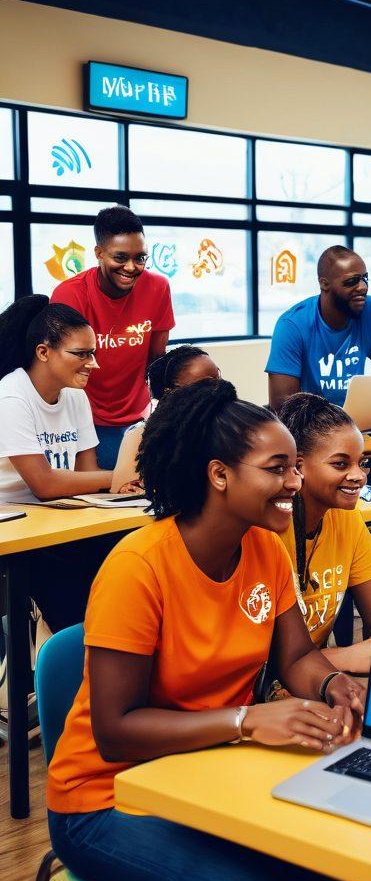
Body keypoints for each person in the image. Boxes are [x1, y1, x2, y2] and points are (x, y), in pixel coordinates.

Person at [46, 378, 365, 881]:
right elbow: (115, 731)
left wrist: (333, 685)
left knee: (343, 865)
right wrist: (247, 720)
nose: (295, 483)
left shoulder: (266, 549)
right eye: (277, 469)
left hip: (210, 773)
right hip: (107, 801)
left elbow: (296, 657)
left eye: (295, 467)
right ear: (219, 474)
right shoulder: (138, 567)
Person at [0, 296, 137, 632]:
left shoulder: (75, 395)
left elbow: (86, 475)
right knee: (71, 591)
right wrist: (117, 475)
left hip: (58, 518)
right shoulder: (11, 396)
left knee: (129, 547)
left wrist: (124, 485)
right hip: (17, 526)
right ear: (43, 352)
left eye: (93, 353)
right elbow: (44, 484)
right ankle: (78, 649)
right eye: (81, 354)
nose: (93, 364)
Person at [277, 393, 371, 674]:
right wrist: (345, 657)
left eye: (362, 462)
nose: (359, 476)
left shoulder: (346, 518)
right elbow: (264, 661)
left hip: (317, 677)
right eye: (341, 464)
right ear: (298, 466)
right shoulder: (269, 529)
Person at [51, 205, 174, 469]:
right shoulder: (70, 294)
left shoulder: (158, 287)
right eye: (120, 257)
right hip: (86, 417)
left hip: (139, 416)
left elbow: (157, 359)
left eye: (140, 258)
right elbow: (63, 369)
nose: (131, 267)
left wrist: (162, 416)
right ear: (99, 253)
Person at [266, 245, 371, 412]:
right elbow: (282, 406)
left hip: (356, 420)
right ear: (324, 284)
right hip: (309, 422)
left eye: (365, 278)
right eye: (351, 281)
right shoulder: (292, 325)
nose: (363, 287)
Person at [115, 345, 222, 488]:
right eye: (204, 384)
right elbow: (121, 488)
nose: (218, 388)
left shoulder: (229, 425)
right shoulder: (140, 436)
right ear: (170, 393)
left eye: (218, 378)